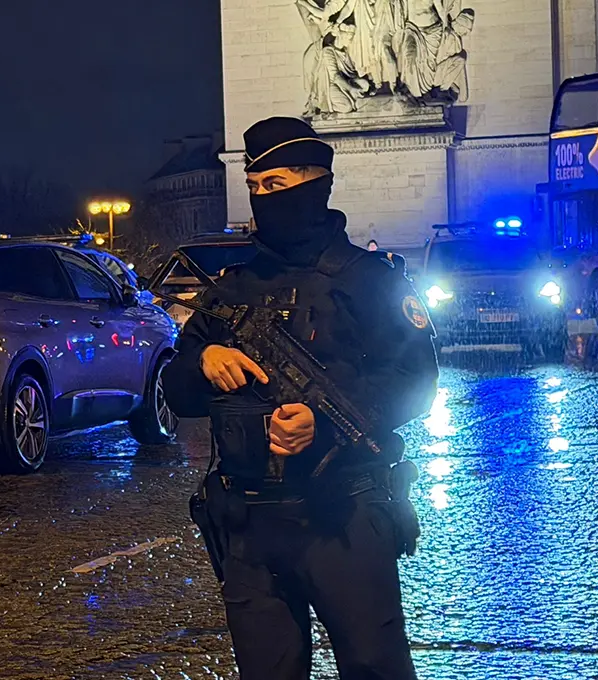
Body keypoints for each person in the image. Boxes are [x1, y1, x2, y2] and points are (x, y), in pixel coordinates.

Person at [163, 116, 439, 680]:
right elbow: (175, 388)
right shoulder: (233, 288)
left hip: (343, 514)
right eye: (257, 187)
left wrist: (326, 424)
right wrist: (203, 360)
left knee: (374, 667)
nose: (266, 199)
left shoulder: (372, 280)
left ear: (318, 183)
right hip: (249, 523)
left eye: (280, 185)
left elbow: (416, 383)